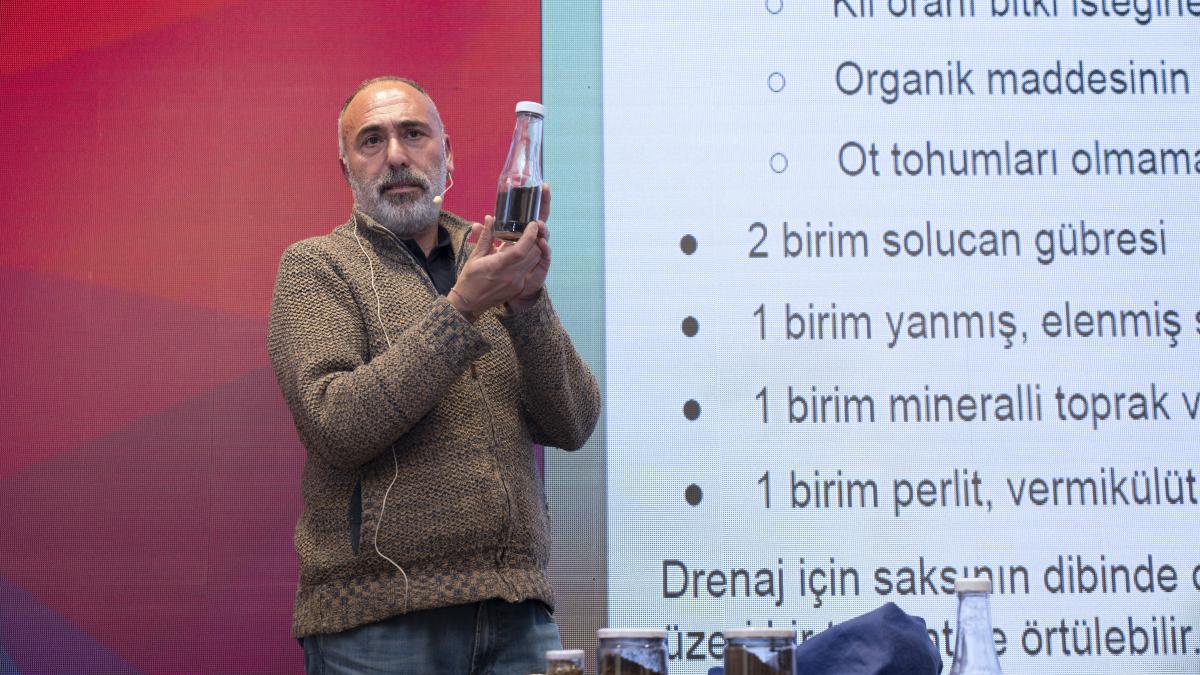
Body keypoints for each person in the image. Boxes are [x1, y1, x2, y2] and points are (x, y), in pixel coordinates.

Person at [267, 76, 601, 675]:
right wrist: (462, 309)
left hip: (517, 612)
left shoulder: (492, 255)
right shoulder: (317, 267)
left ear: (447, 156)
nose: (396, 155)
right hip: (376, 622)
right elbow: (336, 425)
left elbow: (573, 422)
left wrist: (528, 304)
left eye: (413, 134)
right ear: (346, 169)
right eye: (372, 140)